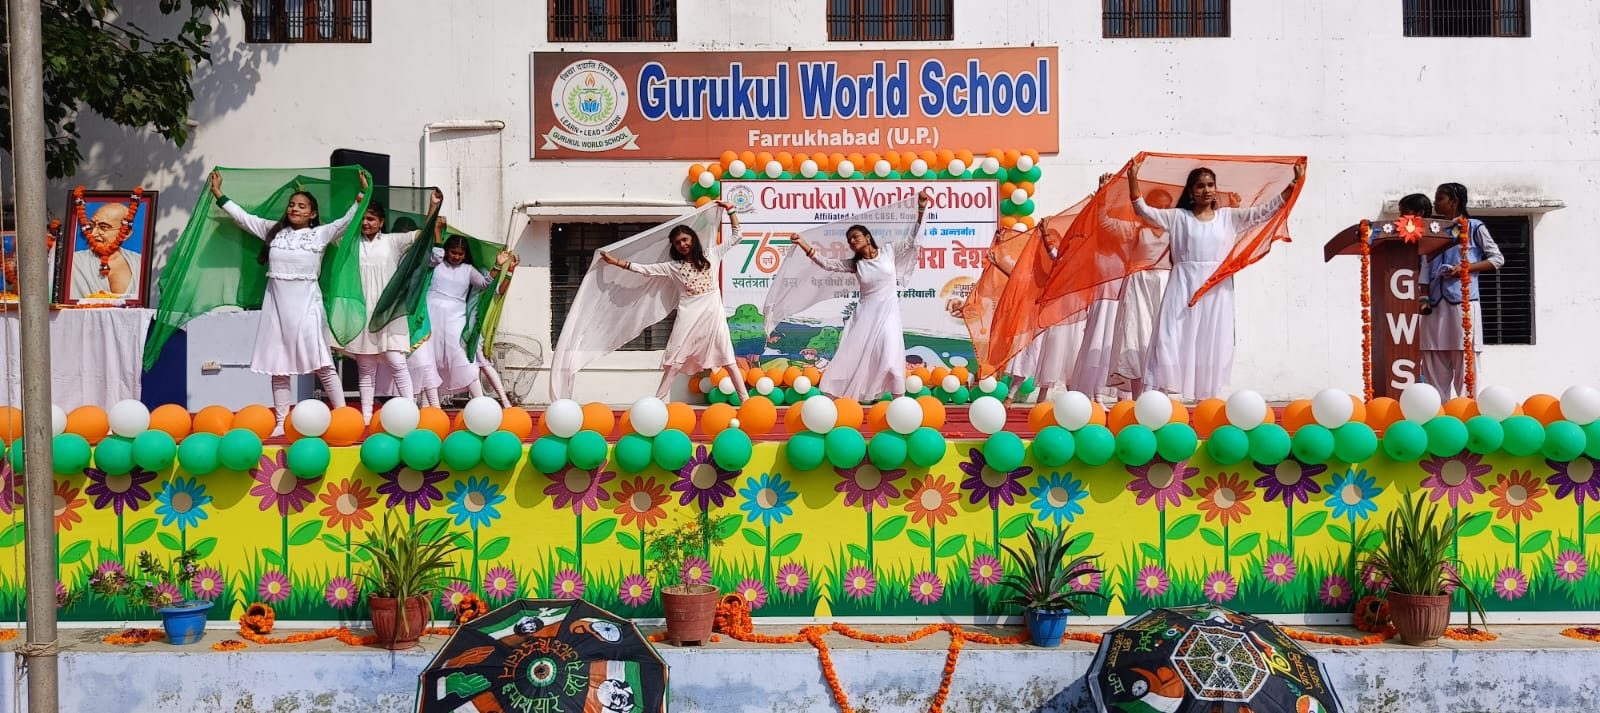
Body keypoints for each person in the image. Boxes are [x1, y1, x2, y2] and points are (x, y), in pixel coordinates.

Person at [1129, 160, 1303, 400]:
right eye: (1200, 186)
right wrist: (1133, 180)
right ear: (1191, 191)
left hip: (1216, 286)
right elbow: (1143, 211)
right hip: (1183, 283)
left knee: (1209, 339)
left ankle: (1205, 397)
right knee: (1168, 336)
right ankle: (1156, 395)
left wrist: (1293, 184)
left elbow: (1264, 211)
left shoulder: (1228, 217)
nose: (1206, 190)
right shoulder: (1178, 217)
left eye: (1210, 185)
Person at [209, 170, 366, 434]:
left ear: (312, 214)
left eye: (302, 206)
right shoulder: (273, 231)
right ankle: (282, 422)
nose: (295, 208)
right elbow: (245, 219)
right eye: (292, 205)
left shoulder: (320, 234)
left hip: (307, 306)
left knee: (322, 363)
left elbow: (346, 221)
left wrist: (362, 193)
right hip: (277, 308)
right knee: (278, 366)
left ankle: (341, 418)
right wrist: (219, 195)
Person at [598, 200, 748, 402]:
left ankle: (745, 401)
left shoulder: (712, 254)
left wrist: (730, 209)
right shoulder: (673, 267)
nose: (683, 245)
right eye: (678, 243)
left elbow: (737, 236)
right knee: (675, 360)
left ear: (693, 239)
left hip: (713, 314)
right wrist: (615, 262)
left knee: (728, 358)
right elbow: (645, 270)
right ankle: (658, 402)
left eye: (685, 240)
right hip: (689, 315)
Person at [788, 191, 931, 401]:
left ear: (867, 237)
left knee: (891, 357)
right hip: (865, 317)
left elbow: (913, 238)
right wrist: (802, 243)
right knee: (850, 358)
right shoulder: (856, 264)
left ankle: (901, 403)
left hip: (889, 314)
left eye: (855, 237)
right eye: (849, 240)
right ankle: (831, 399)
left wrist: (921, 208)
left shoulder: (890, 250)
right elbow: (827, 263)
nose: (852, 242)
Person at [340, 190, 439, 423]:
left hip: (389, 310)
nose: (366, 222)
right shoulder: (351, 244)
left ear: (381, 222)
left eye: (371, 218)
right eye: (363, 218)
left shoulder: (393, 241)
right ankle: (365, 419)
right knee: (365, 367)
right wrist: (358, 199)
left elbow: (424, 235)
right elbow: (335, 230)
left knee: (397, 361)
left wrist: (433, 208)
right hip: (362, 311)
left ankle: (410, 413)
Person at [410, 225, 516, 406]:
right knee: (429, 359)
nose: (456, 256)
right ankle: (427, 408)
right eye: (453, 252)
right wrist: (436, 231)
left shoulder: (468, 270)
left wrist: (499, 265)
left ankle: (481, 403)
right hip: (432, 317)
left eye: (460, 254)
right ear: (446, 250)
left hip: (456, 319)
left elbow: (485, 284)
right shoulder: (435, 265)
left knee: (463, 358)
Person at [1419, 183, 1502, 399]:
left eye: (1440, 199)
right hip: (1434, 306)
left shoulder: (1474, 227)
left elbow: (1497, 259)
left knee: (1465, 359)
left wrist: (1465, 268)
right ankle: (1437, 414)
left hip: (1462, 305)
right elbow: (1425, 268)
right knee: (1432, 358)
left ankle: (1466, 415)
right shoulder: (1431, 229)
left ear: (1454, 202)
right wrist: (1424, 298)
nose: (1435, 203)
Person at [1105, 180, 1175, 399]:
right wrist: (1103, 195)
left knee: (1164, 339)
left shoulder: (1175, 230)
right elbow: (1105, 224)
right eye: (1157, 206)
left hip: (1165, 286)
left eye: (1166, 207)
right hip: (1139, 284)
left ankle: (1161, 397)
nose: (1161, 212)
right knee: (1135, 336)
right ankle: (1138, 399)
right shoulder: (1134, 229)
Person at [69, 201, 143, 299]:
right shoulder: (73, 262)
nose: (93, 233)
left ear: (126, 233)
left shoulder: (139, 263)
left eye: (103, 227)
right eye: (91, 227)